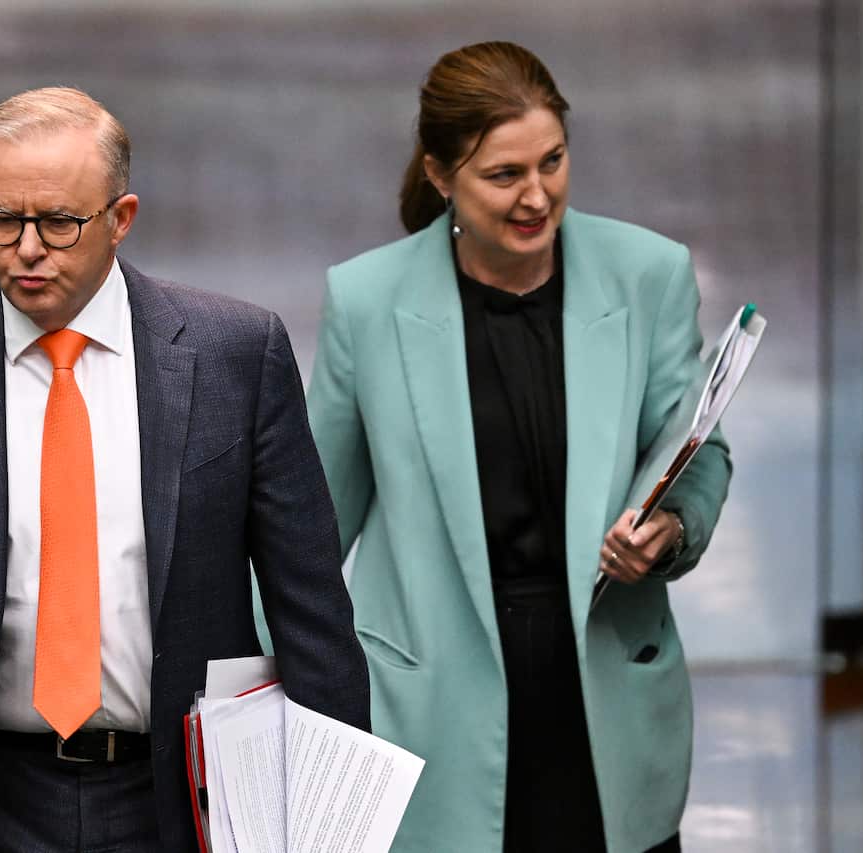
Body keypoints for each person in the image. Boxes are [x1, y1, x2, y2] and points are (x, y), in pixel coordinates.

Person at [0, 86, 369, 853]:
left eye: (59, 222)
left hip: (185, 799)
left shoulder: (235, 356)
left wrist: (329, 831)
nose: (29, 248)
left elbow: (313, 620)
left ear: (121, 218)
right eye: (3, 220)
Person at [305, 42, 731, 852]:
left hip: (605, 696)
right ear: (440, 177)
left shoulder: (649, 274)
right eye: (504, 175)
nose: (537, 195)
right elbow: (313, 522)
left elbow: (699, 451)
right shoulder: (366, 301)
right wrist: (244, 692)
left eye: (553, 161)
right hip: (435, 713)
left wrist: (670, 529)